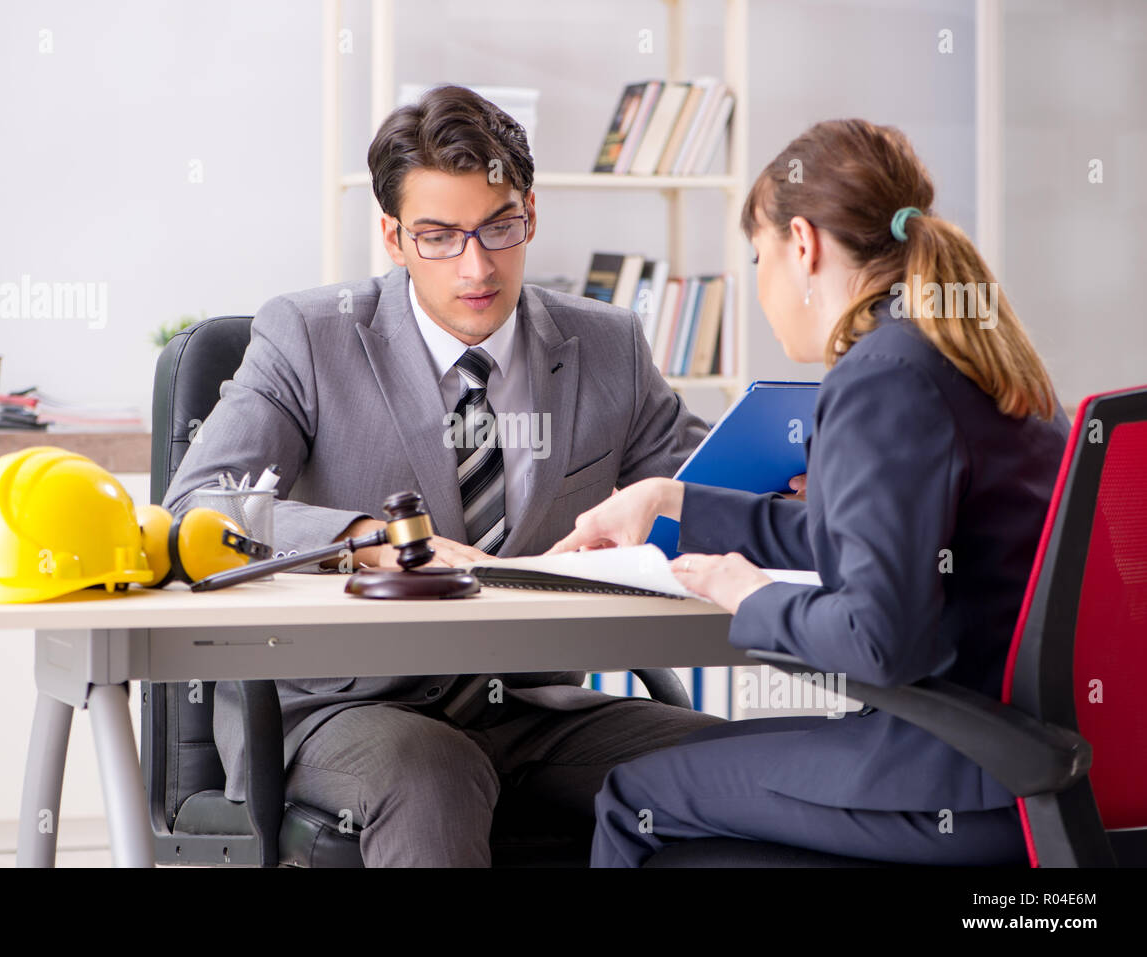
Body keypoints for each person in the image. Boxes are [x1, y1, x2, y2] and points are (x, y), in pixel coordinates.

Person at [163, 84, 721, 866]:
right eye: (439, 236)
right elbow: (199, 505)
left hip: (532, 700)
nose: (477, 264)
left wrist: (795, 487)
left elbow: (709, 493)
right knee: (436, 771)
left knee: (732, 770)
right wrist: (363, 541)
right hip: (342, 705)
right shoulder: (309, 337)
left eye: (500, 227)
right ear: (393, 237)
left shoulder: (608, 346)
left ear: (531, 212)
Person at [548, 118, 1071, 867]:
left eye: (758, 257)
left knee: (634, 795)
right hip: (1039, 762)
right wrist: (673, 499)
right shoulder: (978, 355)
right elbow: (881, 549)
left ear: (803, 244)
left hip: (959, 775)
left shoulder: (883, 378)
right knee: (707, 759)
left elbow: (879, 639)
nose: (761, 285)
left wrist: (748, 593)